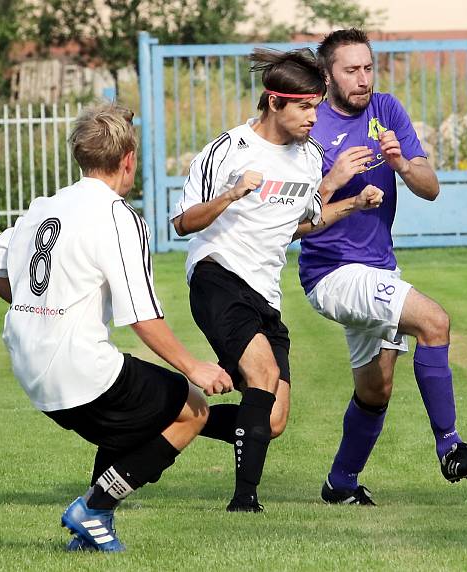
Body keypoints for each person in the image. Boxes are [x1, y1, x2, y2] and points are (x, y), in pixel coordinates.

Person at [0, 104, 233, 552]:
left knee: (128, 418)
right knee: (191, 409)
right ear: (128, 159)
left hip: (30, 367)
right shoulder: (119, 216)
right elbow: (142, 316)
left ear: (81, 155)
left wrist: (37, 309)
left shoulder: (44, 206)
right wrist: (196, 369)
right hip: (76, 368)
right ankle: (91, 509)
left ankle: (92, 530)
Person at [170, 47, 384, 513]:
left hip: (265, 291)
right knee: (263, 375)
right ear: (274, 102)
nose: (315, 116)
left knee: (273, 418)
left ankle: (169, 413)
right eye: (306, 106)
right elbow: (184, 222)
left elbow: (299, 224)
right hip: (217, 275)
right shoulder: (228, 149)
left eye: (317, 105)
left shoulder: (309, 157)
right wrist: (231, 194)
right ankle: (244, 501)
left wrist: (351, 203)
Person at [298, 28, 467, 506]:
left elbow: (430, 187)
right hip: (332, 274)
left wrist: (403, 164)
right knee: (434, 321)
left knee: (377, 389)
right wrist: (335, 178)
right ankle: (450, 447)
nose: (363, 79)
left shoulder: (386, 110)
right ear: (327, 75)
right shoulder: (308, 125)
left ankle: (340, 483)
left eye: (368, 68)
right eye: (351, 70)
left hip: (378, 269)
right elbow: (293, 220)